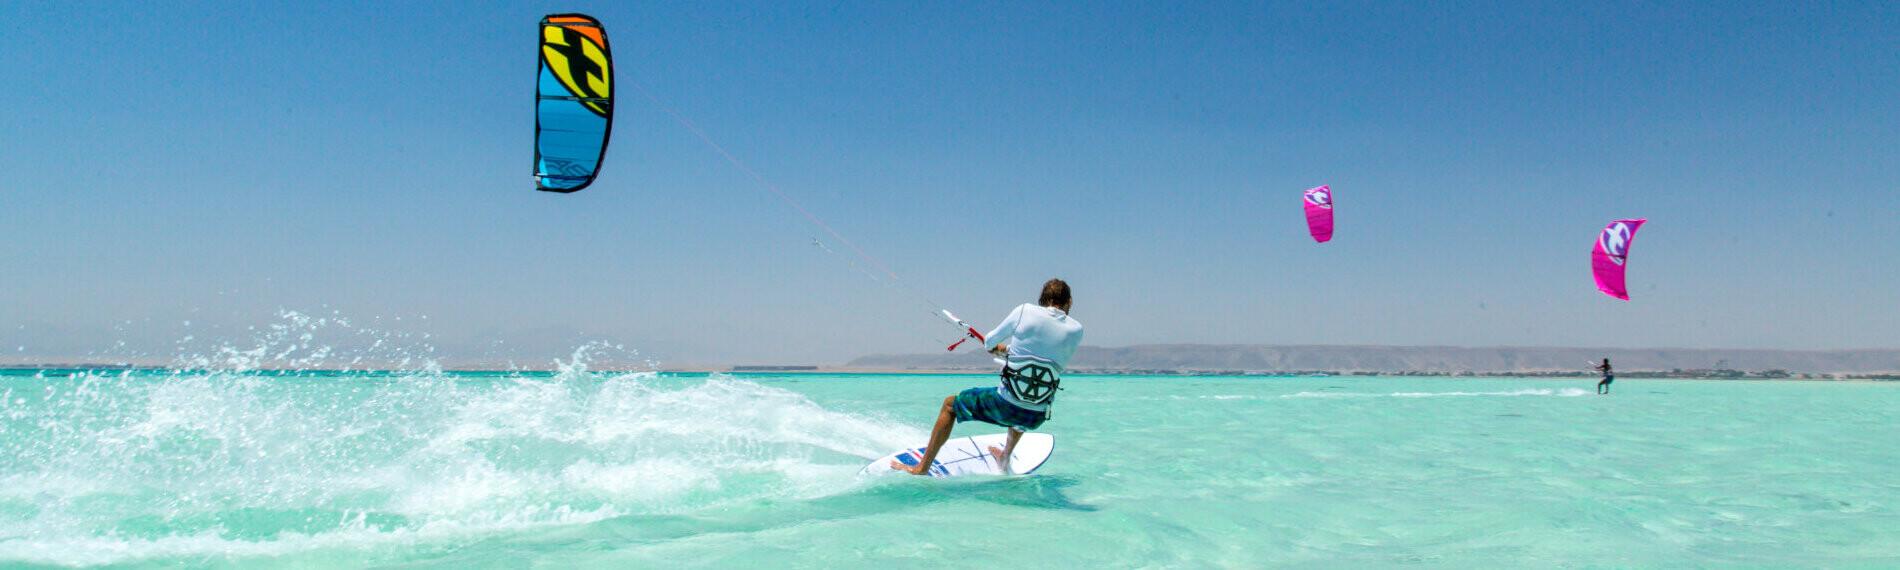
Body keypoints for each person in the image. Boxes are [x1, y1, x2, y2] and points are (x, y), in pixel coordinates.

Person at [891, 278, 1084, 475]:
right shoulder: (1076, 330)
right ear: (1069, 302)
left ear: (1042, 300)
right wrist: (1007, 351)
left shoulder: (1025, 310)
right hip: (1035, 416)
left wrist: (995, 347)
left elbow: (990, 341)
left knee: (950, 405)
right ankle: (1005, 458)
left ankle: (921, 468)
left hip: (1006, 406)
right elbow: (1042, 357)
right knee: (1026, 399)